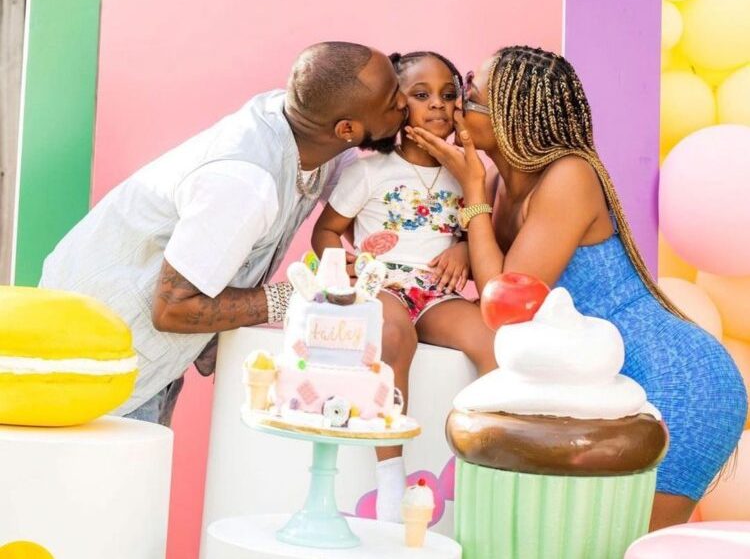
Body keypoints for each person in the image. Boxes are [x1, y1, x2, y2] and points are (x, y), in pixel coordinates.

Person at [406, 45, 748, 531]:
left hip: (676, 380)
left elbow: (506, 307)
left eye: (470, 93)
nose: (457, 105)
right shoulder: (504, 185)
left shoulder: (569, 175)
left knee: (628, 544)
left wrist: (472, 193)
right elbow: (495, 278)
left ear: (509, 113)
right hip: (599, 381)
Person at [39, 42, 408, 426]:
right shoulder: (245, 182)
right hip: (92, 356)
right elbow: (172, 308)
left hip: (136, 355)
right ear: (346, 129)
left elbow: (371, 211)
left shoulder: (312, 131)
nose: (404, 103)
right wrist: (294, 297)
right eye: (393, 99)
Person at [312, 51, 496, 522]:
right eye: (420, 94)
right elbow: (326, 230)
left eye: (449, 94)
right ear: (396, 105)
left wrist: (461, 249)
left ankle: (487, 464)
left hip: (438, 292)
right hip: (384, 284)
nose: (437, 104)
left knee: (493, 340)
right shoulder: (369, 171)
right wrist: (344, 266)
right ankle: (391, 476)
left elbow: (473, 232)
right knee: (394, 335)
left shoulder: (467, 172)